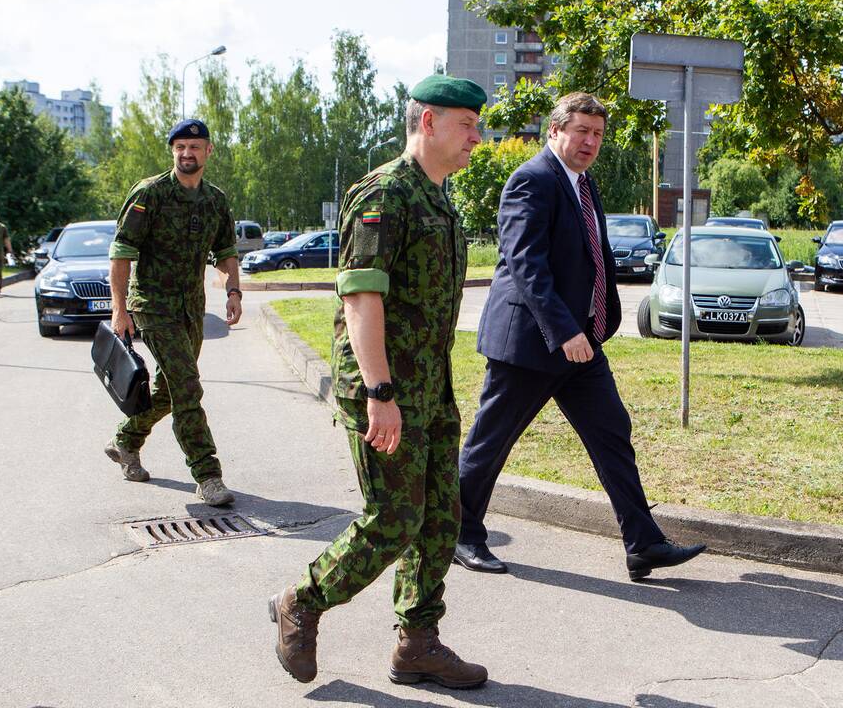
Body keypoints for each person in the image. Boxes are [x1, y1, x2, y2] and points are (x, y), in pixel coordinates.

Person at [268, 75, 488, 689]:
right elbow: (363, 299)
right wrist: (379, 393)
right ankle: (301, 602)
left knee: (442, 515)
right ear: (428, 123)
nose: (477, 135)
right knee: (394, 517)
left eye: (476, 123)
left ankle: (418, 642)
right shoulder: (386, 194)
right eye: (466, 123)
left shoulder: (441, 200)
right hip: (384, 385)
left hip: (428, 383)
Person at [453, 92, 706, 582]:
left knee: (613, 432)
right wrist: (565, 329)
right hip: (530, 344)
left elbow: (590, 255)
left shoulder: (585, 185)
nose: (590, 142)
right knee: (491, 442)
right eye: (582, 131)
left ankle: (643, 543)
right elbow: (527, 265)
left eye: (598, 134)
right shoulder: (532, 180)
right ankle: (461, 533)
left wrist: (590, 325)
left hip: (581, 346)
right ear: (555, 131)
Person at [104, 119, 242, 507]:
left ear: (208, 152)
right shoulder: (150, 194)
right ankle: (208, 474)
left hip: (190, 309)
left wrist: (233, 291)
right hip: (152, 306)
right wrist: (120, 309)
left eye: (194, 147)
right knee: (187, 386)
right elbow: (121, 253)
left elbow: (226, 251)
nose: (187, 154)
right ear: (172, 151)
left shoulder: (215, 199)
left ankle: (126, 441)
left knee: (169, 391)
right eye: (180, 147)